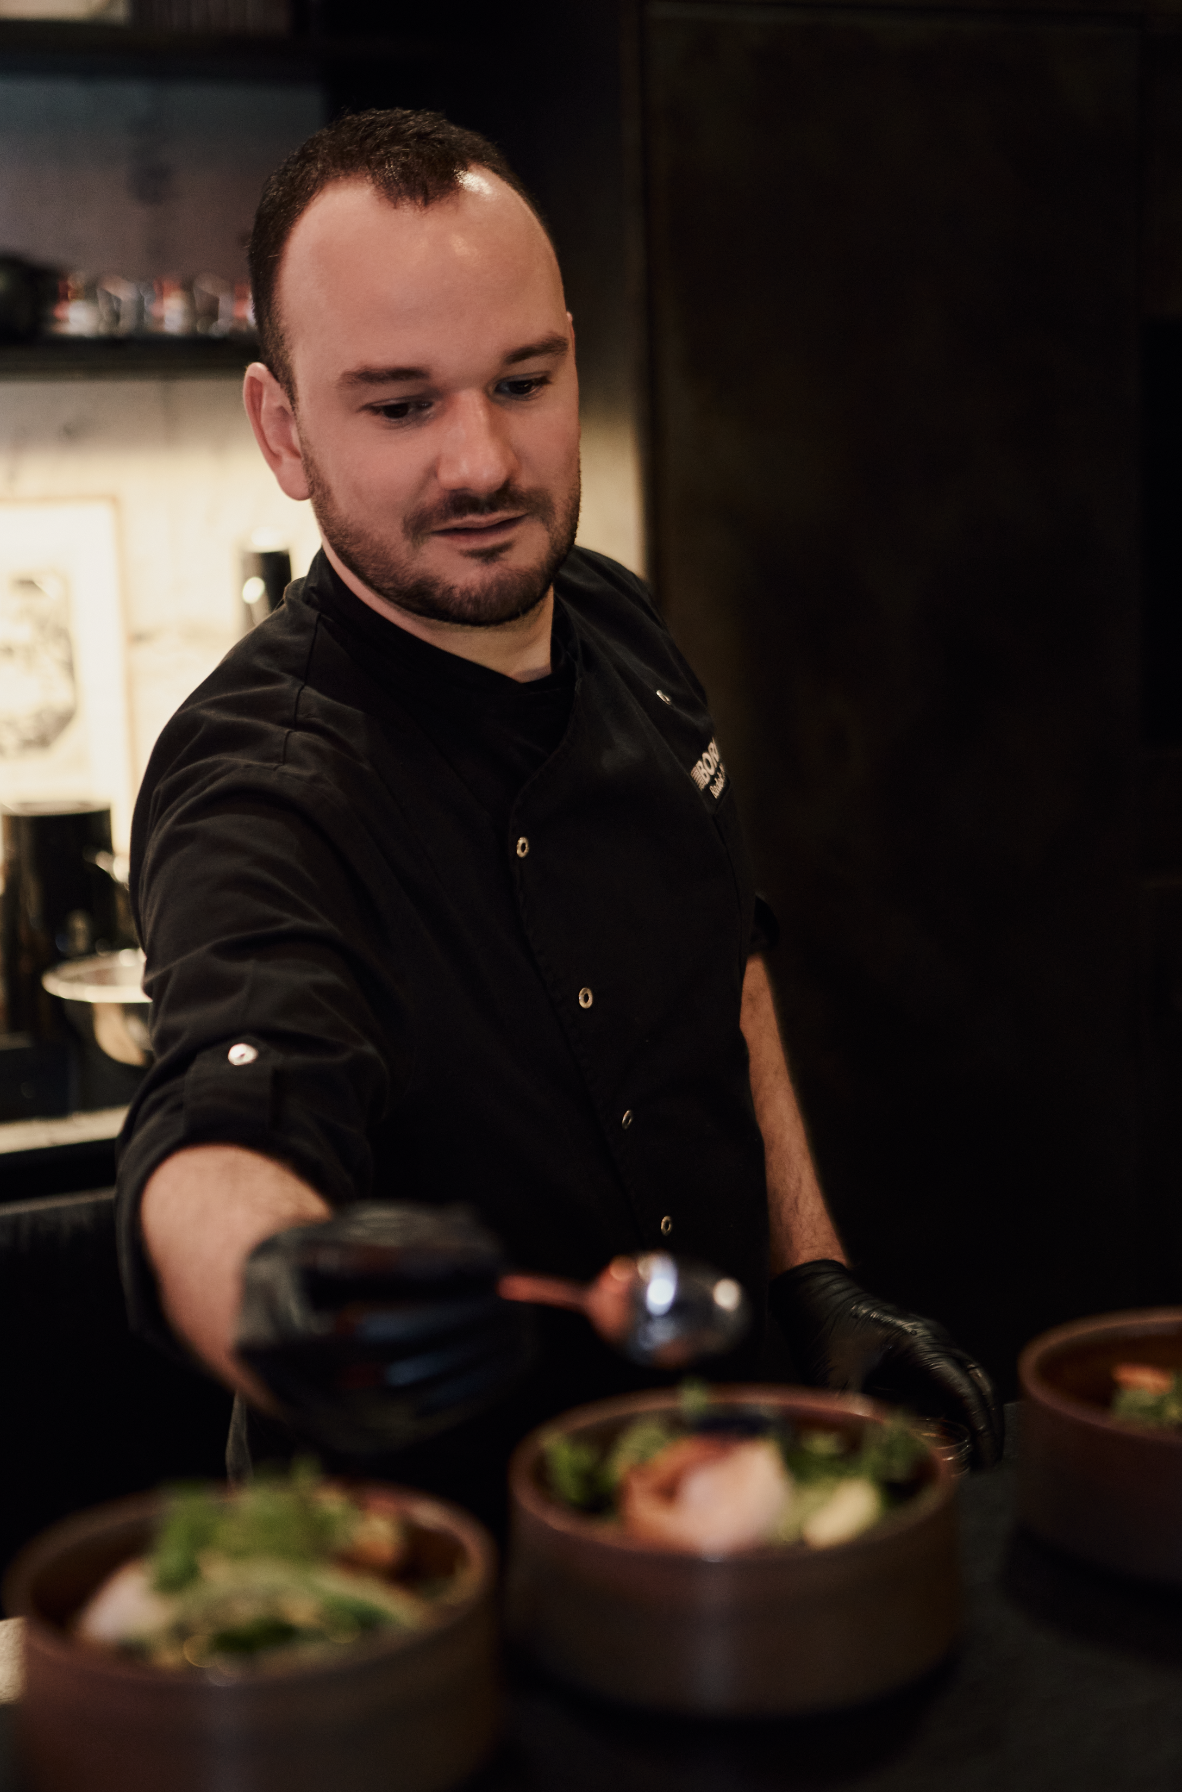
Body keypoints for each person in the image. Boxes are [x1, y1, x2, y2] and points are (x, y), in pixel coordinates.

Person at [116, 110, 1002, 1519]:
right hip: (432, 1579)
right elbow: (221, 1133)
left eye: (520, 380)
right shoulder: (261, 779)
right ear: (283, 431)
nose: (481, 462)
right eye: (400, 405)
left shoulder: (621, 623)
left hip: (716, 1494)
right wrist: (277, 1291)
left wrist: (809, 1277)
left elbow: (729, 970)